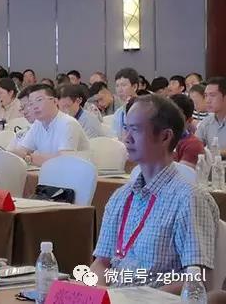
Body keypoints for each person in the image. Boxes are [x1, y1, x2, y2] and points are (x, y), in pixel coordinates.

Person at [90, 95, 218, 292]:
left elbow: (198, 279)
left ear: (165, 137)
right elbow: (101, 263)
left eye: (135, 129)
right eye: (126, 128)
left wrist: (143, 299)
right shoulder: (120, 197)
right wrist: (93, 295)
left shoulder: (189, 199)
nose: (126, 138)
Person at [7, 84, 89, 166]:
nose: (35, 106)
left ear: (55, 101)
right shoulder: (37, 124)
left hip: (78, 171)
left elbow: (64, 160)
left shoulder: (68, 123)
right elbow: (22, 150)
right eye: (31, 103)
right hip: (50, 171)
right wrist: (6, 153)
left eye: (39, 100)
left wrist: (29, 158)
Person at [170, 94, 204, 168]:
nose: (170, 120)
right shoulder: (158, 138)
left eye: (176, 117)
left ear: (189, 120)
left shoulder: (193, 144)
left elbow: (182, 174)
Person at [196, 77, 226, 150]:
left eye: (212, 95)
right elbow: (195, 147)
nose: (207, 100)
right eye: (206, 95)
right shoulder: (206, 122)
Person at [111, 68, 140, 139]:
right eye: (117, 86)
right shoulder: (118, 113)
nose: (120, 90)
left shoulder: (145, 109)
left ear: (135, 87)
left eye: (123, 85)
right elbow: (114, 138)